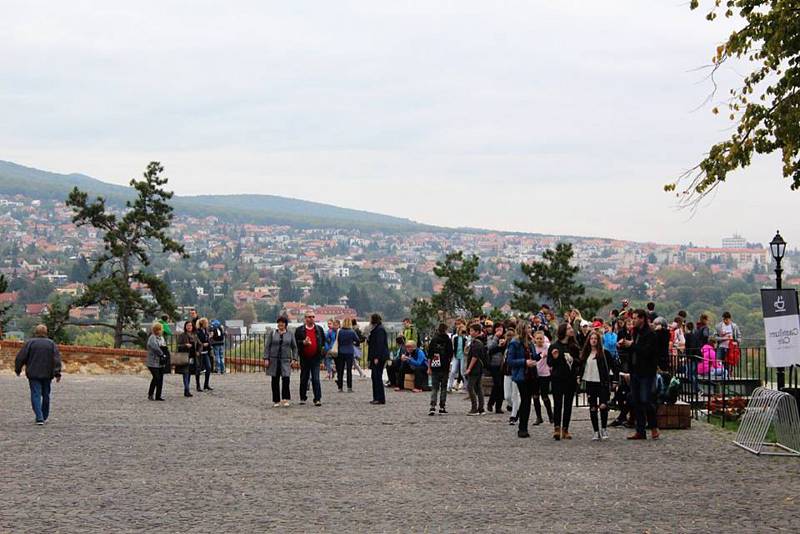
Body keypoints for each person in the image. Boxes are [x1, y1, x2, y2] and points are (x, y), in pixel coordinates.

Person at [620, 309, 660, 440]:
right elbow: (634, 350)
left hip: (646, 372)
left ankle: (654, 426)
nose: (634, 320)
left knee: (646, 400)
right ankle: (640, 431)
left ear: (642, 319)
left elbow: (646, 352)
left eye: (636, 318)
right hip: (635, 370)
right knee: (636, 401)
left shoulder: (650, 334)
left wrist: (632, 345)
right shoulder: (635, 332)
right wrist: (625, 346)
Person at [14, 324, 62, 425]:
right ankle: (44, 415)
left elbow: (20, 357)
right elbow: (56, 359)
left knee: (35, 394)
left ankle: (39, 417)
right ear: (46, 332)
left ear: (36, 332)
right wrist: (57, 373)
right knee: (46, 395)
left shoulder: (30, 343)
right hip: (47, 373)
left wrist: (18, 369)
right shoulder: (51, 344)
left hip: (33, 373)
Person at [548, 323, 581, 440]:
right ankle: (557, 428)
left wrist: (573, 360)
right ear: (563, 331)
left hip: (570, 379)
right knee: (558, 404)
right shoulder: (554, 346)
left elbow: (579, 362)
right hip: (558, 379)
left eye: (571, 328)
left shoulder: (574, 346)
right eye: (568, 328)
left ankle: (565, 429)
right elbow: (549, 363)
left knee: (568, 405)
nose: (571, 330)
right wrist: (555, 358)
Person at [507, 323, 538, 437]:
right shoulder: (514, 343)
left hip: (531, 374)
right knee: (525, 399)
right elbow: (510, 361)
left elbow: (533, 356)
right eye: (528, 328)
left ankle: (523, 426)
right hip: (521, 375)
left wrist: (541, 356)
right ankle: (522, 427)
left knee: (527, 401)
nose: (530, 330)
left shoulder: (530, 343)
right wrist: (524, 362)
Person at [581, 330, 612, 441]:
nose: (593, 340)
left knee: (603, 406)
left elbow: (612, 367)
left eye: (595, 339)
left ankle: (604, 428)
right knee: (593, 407)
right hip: (590, 382)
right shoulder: (585, 353)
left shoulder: (604, 353)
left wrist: (613, 381)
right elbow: (581, 366)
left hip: (601, 382)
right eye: (591, 339)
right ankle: (595, 431)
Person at [264, 316, 298, 407]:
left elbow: (294, 347)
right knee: (274, 380)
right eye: (279, 322)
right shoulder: (273, 333)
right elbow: (267, 346)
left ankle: (285, 399)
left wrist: (294, 358)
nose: (280, 324)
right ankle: (276, 400)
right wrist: (266, 358)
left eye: (282, 322)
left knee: (286, 379)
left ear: (285, 324)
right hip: (274, 360)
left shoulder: (290, 334)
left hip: (285, 360)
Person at [295, 311, 326, 406]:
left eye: (313, 316)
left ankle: (317, 399)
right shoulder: (299, 330)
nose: (311, 318)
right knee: (304, 378)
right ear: (305, 318)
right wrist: (303, 343)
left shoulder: (319, 329)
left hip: (316, 358)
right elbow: (296, 343)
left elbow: (323, 343)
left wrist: (322, 357)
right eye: (309, 317)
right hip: (304, 358)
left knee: (316, 379)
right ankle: (303, 397)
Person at [427, 323, 454, 415]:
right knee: (443, 387)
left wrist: (429, 367)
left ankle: (432, 406)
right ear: (446, 330)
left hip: (435, 366)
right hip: (445, 366)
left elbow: (429, 355)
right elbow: (451, 354)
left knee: (434, 387)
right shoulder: (448, 340)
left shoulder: (434, 340)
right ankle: (442, 406)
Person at [367, 313, 390, 405]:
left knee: (377, 377)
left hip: (378, 356)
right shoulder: (377, 329)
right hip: (376, 356)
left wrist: (376, 357)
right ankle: (376, 397)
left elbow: (379, 344)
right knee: (374, 376)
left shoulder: (379, 330)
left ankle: (380, 398)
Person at [464, 323, 486, 416]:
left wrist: (469, 368)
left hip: (475, 368)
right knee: (478, 387)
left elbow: (474, 357)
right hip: (479, 368)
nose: (470, 332)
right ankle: (481, 408)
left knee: (470, 387)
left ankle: (474, 408)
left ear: (477, 332)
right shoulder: (478, 342)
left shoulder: (476, 343)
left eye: (472, 330)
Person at [532, 330, 553, 425]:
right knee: (535, 396)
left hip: (545, 374)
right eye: (538, 338)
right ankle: (539, 417)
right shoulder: (533, 348)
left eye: (541, 338)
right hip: (535, 374)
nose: (539, 340)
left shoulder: (547, 347)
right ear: (534, 339)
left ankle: (551, 416)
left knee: (545, 396)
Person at [335, 318, 361, 393]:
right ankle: (349, 387)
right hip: (349, 352)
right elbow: (358, 340)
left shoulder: (339, 331)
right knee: (349, 370)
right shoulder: (352, 332)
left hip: (341, 351)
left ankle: (340, 387)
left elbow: (337, 341)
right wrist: (353, 343)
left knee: (341, 370)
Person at [486, 323, 507, 414]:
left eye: (501, 327)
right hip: (494, 364)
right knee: (497, 384)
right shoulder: (491, 338)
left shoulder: (506, 337)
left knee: (501, 386)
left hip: (504, 364)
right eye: (497, 327)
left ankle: (498, 406)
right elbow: (490, 348)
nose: (499, 329)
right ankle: (491, 403)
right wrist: (496, 338)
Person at [177, 321, 201, 397]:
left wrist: (198, 351)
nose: (189, 327)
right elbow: (178, 346)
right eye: (188, 325)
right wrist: (185, 345)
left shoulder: (195, 335)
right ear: (185, 326)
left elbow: (200, 345)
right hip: (185, 356)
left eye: (190, 325)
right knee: (185, 373)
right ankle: (187, 390)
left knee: (189, 373)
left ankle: (186, 390)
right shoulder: (182, 335)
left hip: (193, 357)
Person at [146, 322, 167, 401]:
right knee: (156, 377)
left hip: (160, 362)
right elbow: (155, 347)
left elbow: (163, 345)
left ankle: (158, 395)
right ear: (157, 330)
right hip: (153, 361)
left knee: (160, 378)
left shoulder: (161, 338)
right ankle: (150, 394)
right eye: (160, 329)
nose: (161, 331)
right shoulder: (152, 337)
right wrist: (162, 353)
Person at [448, 324, 468, 392]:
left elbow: (466, 348)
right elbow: (452, 346)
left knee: (462, 372)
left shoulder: (466, 338)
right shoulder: (454, 337)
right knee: (453, 371)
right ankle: (449, 386)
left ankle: (466, 386)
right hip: (456, 355)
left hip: (463, 356)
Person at [195, 317, 213, 391]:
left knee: (208, 367)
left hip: (206, 352)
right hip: (200, 352)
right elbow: (197, 341)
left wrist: (208, 343)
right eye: (206, 323)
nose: (207, 324)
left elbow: (208, 340)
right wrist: (202, 344)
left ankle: (206, 384)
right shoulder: (198, 332)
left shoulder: (206, 331)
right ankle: (198, 385)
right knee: (198, 369)